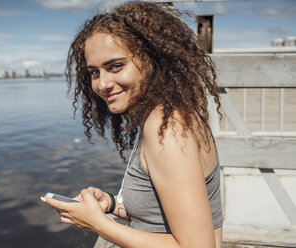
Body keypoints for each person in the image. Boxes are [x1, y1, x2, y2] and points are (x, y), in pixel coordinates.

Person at [41, 2, 223, 247]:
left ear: (153, 61)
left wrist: (98, 224)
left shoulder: (168, 129)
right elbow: (162, 218)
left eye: (116, 66)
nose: (102, 84)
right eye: (94, 72)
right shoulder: (161, 117)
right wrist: (112, 205)